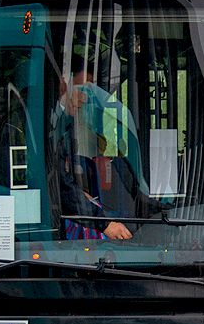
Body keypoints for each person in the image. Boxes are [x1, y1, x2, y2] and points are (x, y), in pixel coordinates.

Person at [54, 54, 143, 241]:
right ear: (63, 84)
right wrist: (105, 224)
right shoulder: (45, 126)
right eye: (82, 89)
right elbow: (60, 184)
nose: (86, 98)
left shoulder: (62, 123)